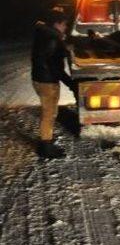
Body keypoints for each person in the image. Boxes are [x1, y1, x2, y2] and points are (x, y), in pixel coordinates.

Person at [31, 9, 74, 158]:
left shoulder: (45, 35)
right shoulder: (52, 39)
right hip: (47, 81)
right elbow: (53, 65)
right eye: (64, 25)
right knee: (49, 113)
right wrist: (70, 83)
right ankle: (45, 147)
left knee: (50, 112)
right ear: (57, 24)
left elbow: (49, 58)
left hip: (40, 78)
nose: (66, 27)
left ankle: (46, 140)